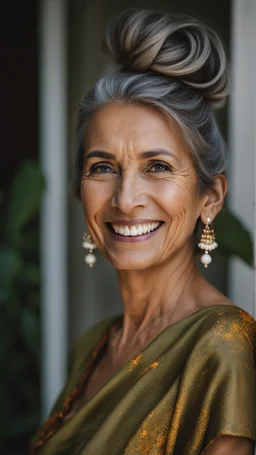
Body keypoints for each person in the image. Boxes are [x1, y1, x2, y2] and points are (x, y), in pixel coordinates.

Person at [30, 9, 256, 455]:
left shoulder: (225, 346)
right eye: (102, 167)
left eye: (157, 167)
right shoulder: (92, 348)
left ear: (210, 197)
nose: (125, 198)